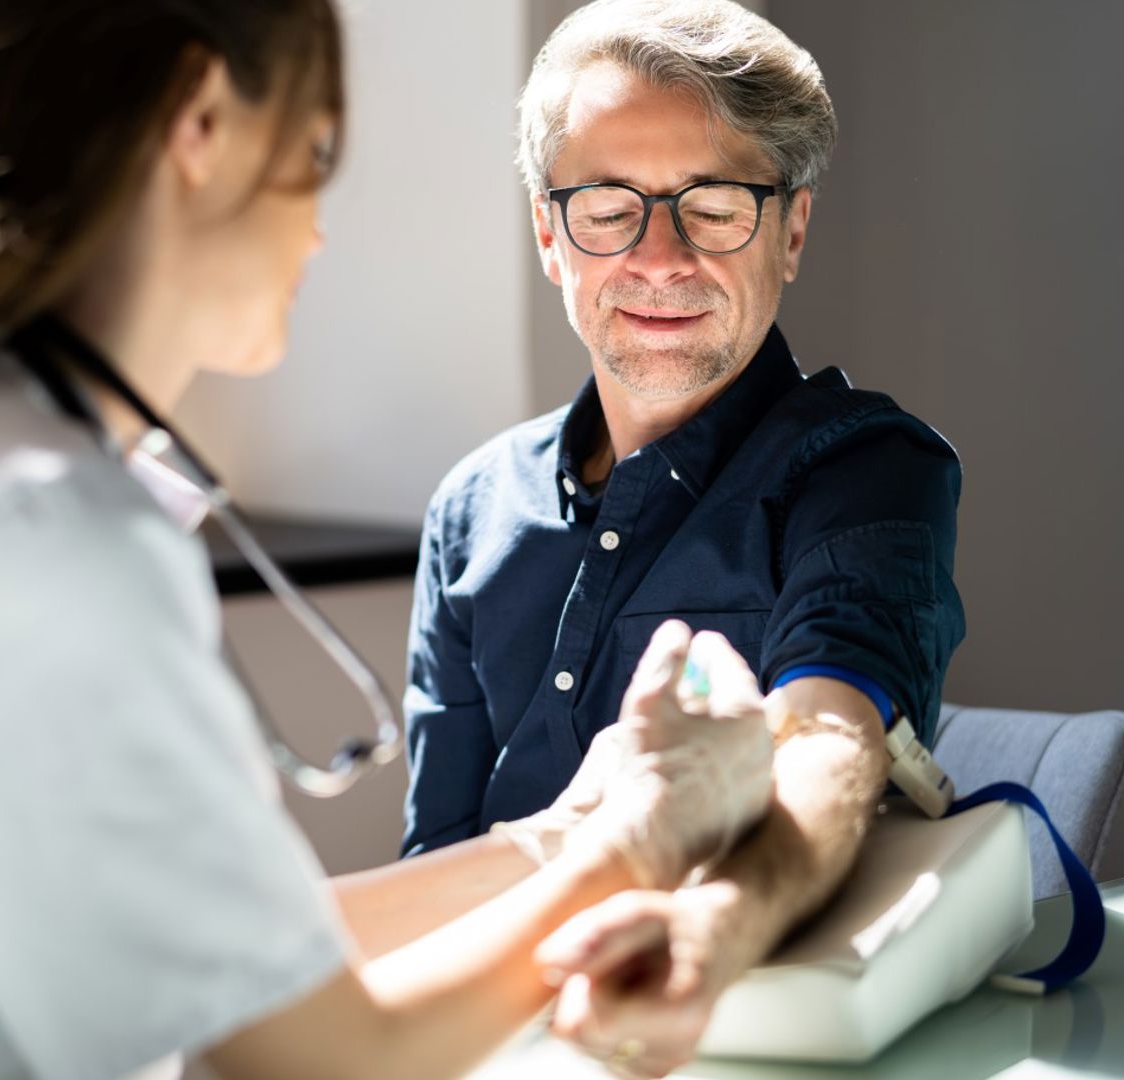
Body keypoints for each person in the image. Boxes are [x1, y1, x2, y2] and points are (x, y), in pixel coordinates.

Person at [0, 2, 776, 1077]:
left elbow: (240, 962)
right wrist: (645, 836)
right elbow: (312, 1059)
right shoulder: (31, 533)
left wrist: (565, 834)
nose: (322, 229)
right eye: (315, 151)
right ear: (203, 123)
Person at [401, 0, 968, 1071]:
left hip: (746, 1039)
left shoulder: (863, 470)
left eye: (714, 207)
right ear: (548, 231)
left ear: (791, 230)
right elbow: (441, 856)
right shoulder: (470, 508)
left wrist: (709, 931)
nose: (659, 257)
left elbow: (829, 743)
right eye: (609, 207)